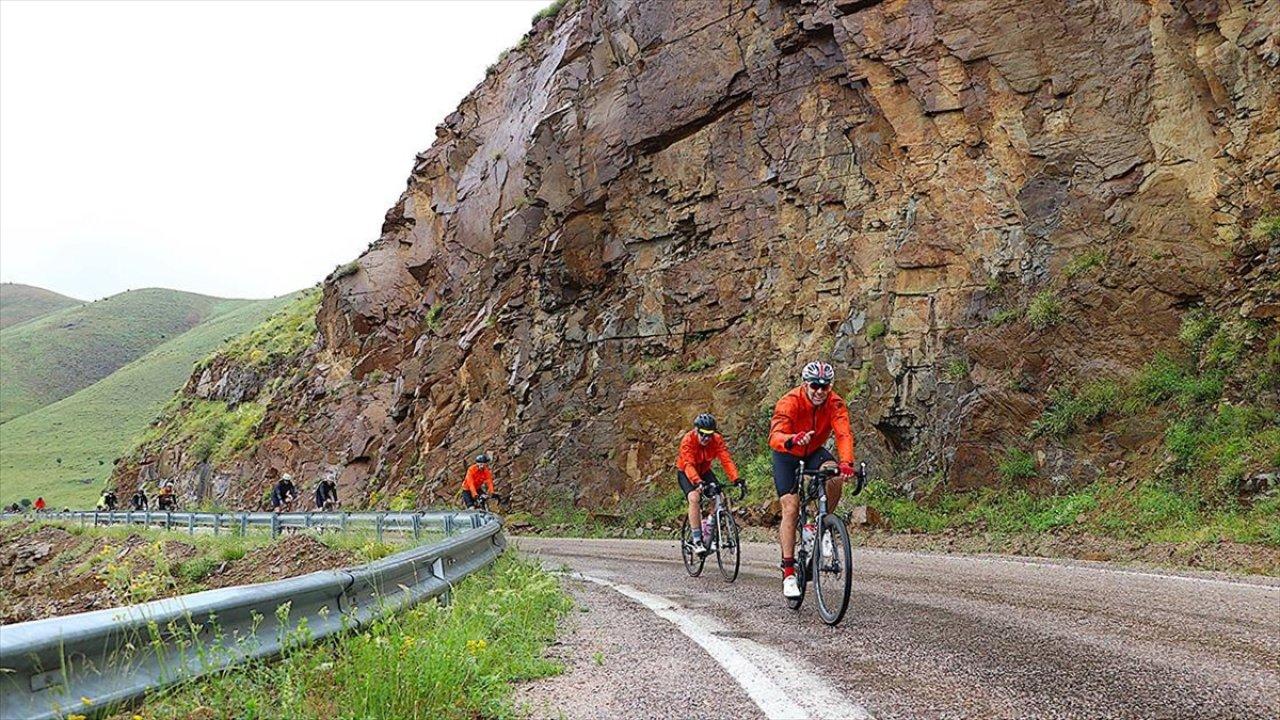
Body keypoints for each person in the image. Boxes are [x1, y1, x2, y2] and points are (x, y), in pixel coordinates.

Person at [769, 360, 856, 599]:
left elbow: (843, 433)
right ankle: (788, 572)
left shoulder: (835, 402)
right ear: (805, 384)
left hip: (814, 450)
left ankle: (821, 525)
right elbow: (775, 435)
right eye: (814, 386)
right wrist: (791, 439)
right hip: (787, 451)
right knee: (791, 508)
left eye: (824, 387)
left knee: (835, 473)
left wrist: (847, 462)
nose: (819, 391)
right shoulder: (790, 402)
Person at [676, 413, 741, 556]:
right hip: (687, 472)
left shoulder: (716, 440)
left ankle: (709, 525)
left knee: (719, 496)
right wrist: (697, 482)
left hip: (704, 471)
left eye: (710, 435)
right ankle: (697, 539)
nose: (706, 438)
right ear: (696, 430)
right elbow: (688, 464)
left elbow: (726, 460)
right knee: (694, 498)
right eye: (703, 434)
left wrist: (736, 479)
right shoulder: (688, 440)